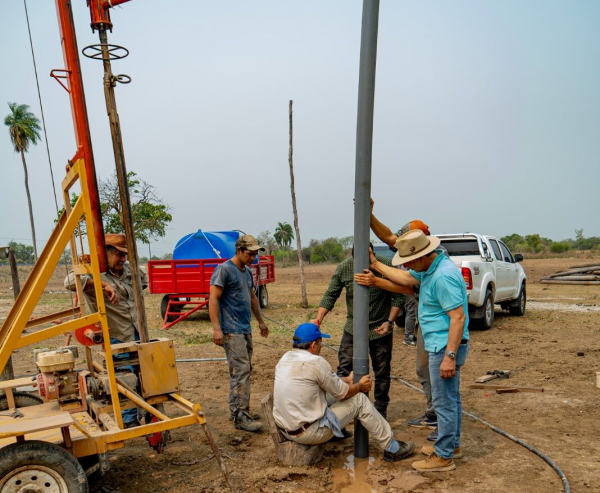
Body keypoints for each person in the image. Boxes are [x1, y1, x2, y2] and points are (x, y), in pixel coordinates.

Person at [355, 230, 469, 472]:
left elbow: (458, 318)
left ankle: (444, 456)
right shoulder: (432, 267)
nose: (405, 265)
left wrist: (449, 357)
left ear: (421, 256)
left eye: (408, 260)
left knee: (443, 401)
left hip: (444, 346)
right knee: (451, 399)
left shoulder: (442, 276)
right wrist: (375, 265)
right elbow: (405, 279)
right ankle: (452, 445)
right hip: (439, 343)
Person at [273, 323, 415, 462]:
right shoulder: (316, 362)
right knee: (359, 400)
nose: (321, 347)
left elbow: (326, 383)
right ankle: (392, 448)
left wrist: (346, 379)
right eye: (320, 343)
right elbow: (344, 394)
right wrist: (359, 386)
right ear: (313, 345)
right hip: (308, 433)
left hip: (286, 429)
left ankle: (336, 432)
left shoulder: (284, 359)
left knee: (329, 395)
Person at [310, 244, 405, 419]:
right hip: (353, 327)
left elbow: (399, 296)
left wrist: (389, 322)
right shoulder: (345, 267)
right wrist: (318, 320)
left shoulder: (386, 266)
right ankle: (345, 409)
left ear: (373, 254)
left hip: (380, 327)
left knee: (382, 370)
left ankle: (380, 411)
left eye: (367, 259)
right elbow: (331, 295)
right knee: (344, 368)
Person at [369, 200, 438, 438]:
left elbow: (408, 283)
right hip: (426, 326)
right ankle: (433, 414)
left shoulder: (429, 264)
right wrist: (368, 216)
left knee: (437, 373)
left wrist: (377, 270)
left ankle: (441, 422)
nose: (400, 250)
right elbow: (389, 237)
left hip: (439, 330)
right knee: (423, 370)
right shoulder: (420, 255)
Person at [64, 233, 147, 427]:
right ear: (105, 253)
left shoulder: (128, 270)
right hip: (117, 335)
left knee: (144, 374)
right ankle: (129, 421)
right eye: (118, 254)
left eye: (125, 255)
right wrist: (103, 284)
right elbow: (69, 282)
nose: (123, 259)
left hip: (138, 331)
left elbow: (142, 282)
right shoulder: (93, 273)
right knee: (124, 377)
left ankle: (145, 410)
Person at [209, 234, 269, 433]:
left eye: (255, 254)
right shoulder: (224, 270)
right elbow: (213, 299)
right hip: (231, 331)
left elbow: (252, 297)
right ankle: (240, 417)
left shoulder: (246, 272)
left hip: (245, 329)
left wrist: (260, 321)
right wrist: (217, 328)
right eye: (250, 254)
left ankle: (239, 409)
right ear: (239, 251)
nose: (253, 258)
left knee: (243, 371)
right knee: (240, 372)